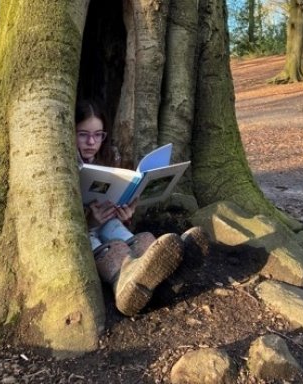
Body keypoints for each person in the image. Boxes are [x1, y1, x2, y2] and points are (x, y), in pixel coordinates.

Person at [75, 100, 209, 316]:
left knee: (140, 239)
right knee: (108, 246)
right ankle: (124, 289)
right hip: (83, 231)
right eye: (83, 134)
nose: (92, 141)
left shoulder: (109, 156)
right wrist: (89, 221)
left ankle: (168, 279)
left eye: (98, 134)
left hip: (108, 222)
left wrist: (126, 213)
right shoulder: (65, 164)